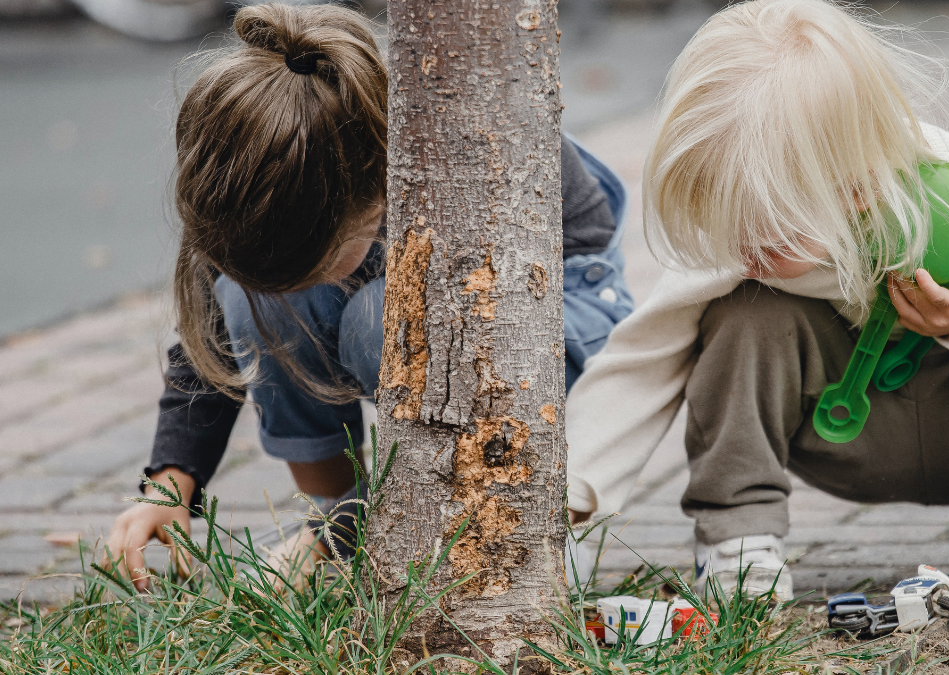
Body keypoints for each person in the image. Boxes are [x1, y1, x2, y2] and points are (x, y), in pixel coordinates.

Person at [564, 0, 949, 607]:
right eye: (729, 217)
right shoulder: (743, 230)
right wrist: (575, 491)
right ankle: (739, 538)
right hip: (838, 432)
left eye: (771, 231)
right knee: (743, 315)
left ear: (859, 187)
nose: (741, 245)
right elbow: (644, 359)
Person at [105, 2, 633, 591]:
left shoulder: (452, 141)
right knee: (257, 301)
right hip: (415, 312)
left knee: (376, 316)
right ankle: (341, 520)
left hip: (555, 317)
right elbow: (209, 344)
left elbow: (580, 308)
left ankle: (516, 526)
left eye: (316, 267)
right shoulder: (262, 181)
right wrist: (169, 482)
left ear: (374, 201)